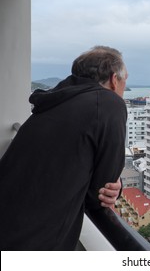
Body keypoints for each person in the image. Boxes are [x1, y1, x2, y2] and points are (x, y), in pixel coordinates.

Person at [0, 46, 128, 250]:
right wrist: (114, 185)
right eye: (125, 80)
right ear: (114, 80)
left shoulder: (54, 102)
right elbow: (100, 192)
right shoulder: (109, 103)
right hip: (33, 242)